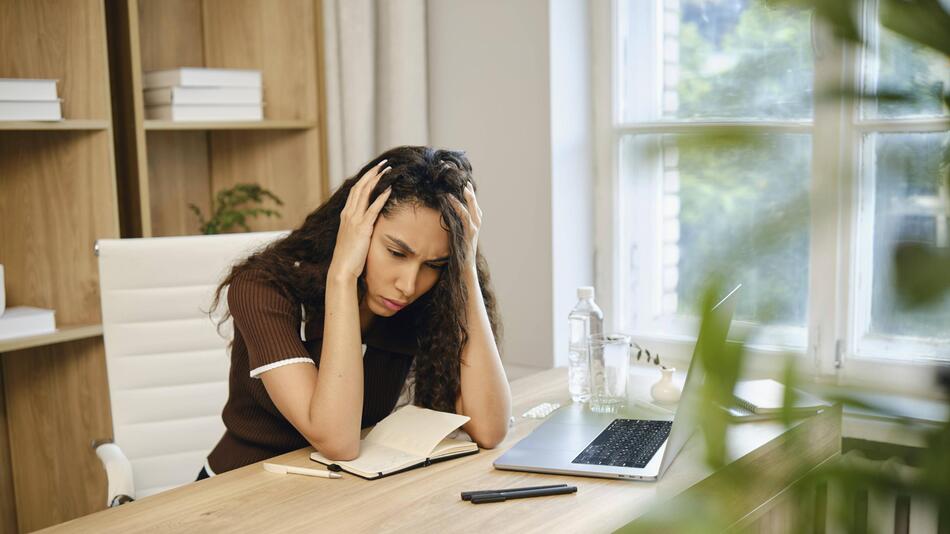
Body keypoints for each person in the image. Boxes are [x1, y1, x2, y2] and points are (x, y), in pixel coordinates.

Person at [197, 146, 511, 479]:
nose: (408, 284)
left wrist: (464, 269)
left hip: (342, 496)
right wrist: (343, 275)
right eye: (395, 252)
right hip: (237, 491)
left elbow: (490, 429)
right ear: (353, 228)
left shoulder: (421, 300)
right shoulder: (261, 288)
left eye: (434, 264)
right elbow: (338, 441)